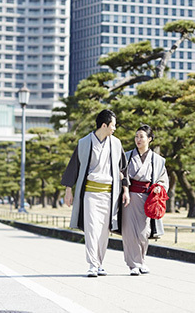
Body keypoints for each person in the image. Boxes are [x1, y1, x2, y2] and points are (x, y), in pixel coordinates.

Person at [61, 109, 129, 277]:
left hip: (109, 194)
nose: (115, 128)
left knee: (105, 230)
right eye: (113, 125)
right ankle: (92, 264)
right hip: (90, 193)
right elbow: (74, 167)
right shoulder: (84, 143)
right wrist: (68, 190)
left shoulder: (116, 144)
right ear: (104, 125)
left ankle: (100, 263)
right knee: (92, 229)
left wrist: (125, 189)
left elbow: (123, 169)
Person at [122, 124, 169, 276]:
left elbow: (163, 179)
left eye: (141, 137)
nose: (138, 139)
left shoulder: (158, 160)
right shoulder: (127, 156)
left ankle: (141, 260)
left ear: (149, 139)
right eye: (136, 136)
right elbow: (121, 175)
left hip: (147, 198)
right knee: (129, 232)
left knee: (144, 232)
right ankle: (133, 265)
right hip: (129, 196)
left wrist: (159, 187)